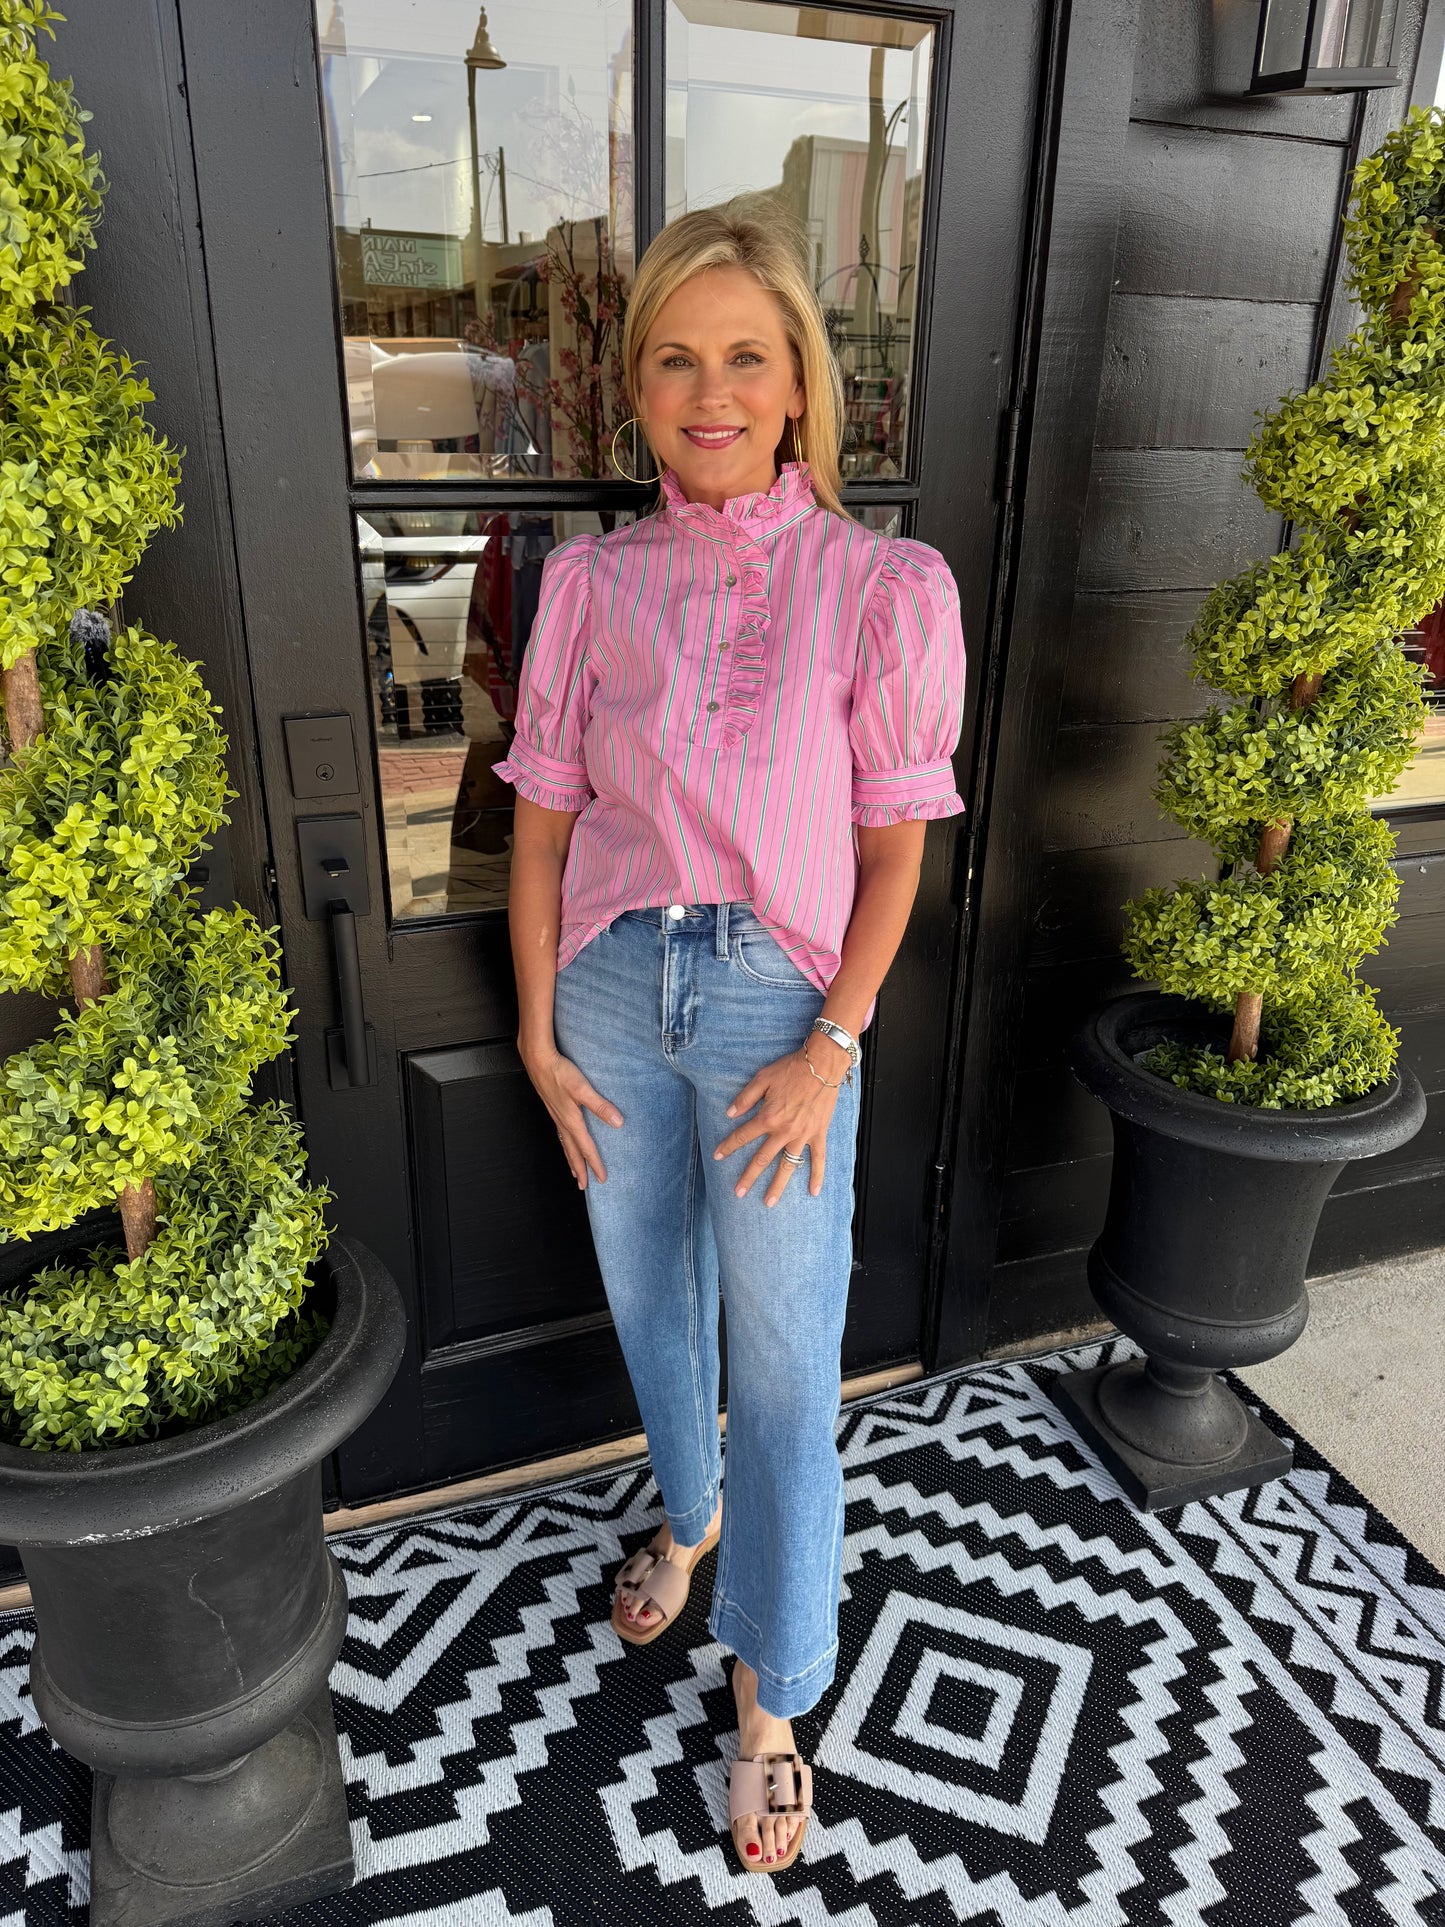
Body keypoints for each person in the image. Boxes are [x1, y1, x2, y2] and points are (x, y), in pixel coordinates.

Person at [494, 199, 966, 1876]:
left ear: (797, 383)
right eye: (678, 361)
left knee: (780, 1361)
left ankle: (772, 1697)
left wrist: (831, 1045)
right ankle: (685, 1525)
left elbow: (895, 852)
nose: (712, 393)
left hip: (780, 1008)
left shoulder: (884, 585)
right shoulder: (588, 584)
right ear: (638, 387)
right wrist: (538, 1030)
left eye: (745, 357)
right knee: (650, 1299)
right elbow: (540, 829)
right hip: (611, 991)